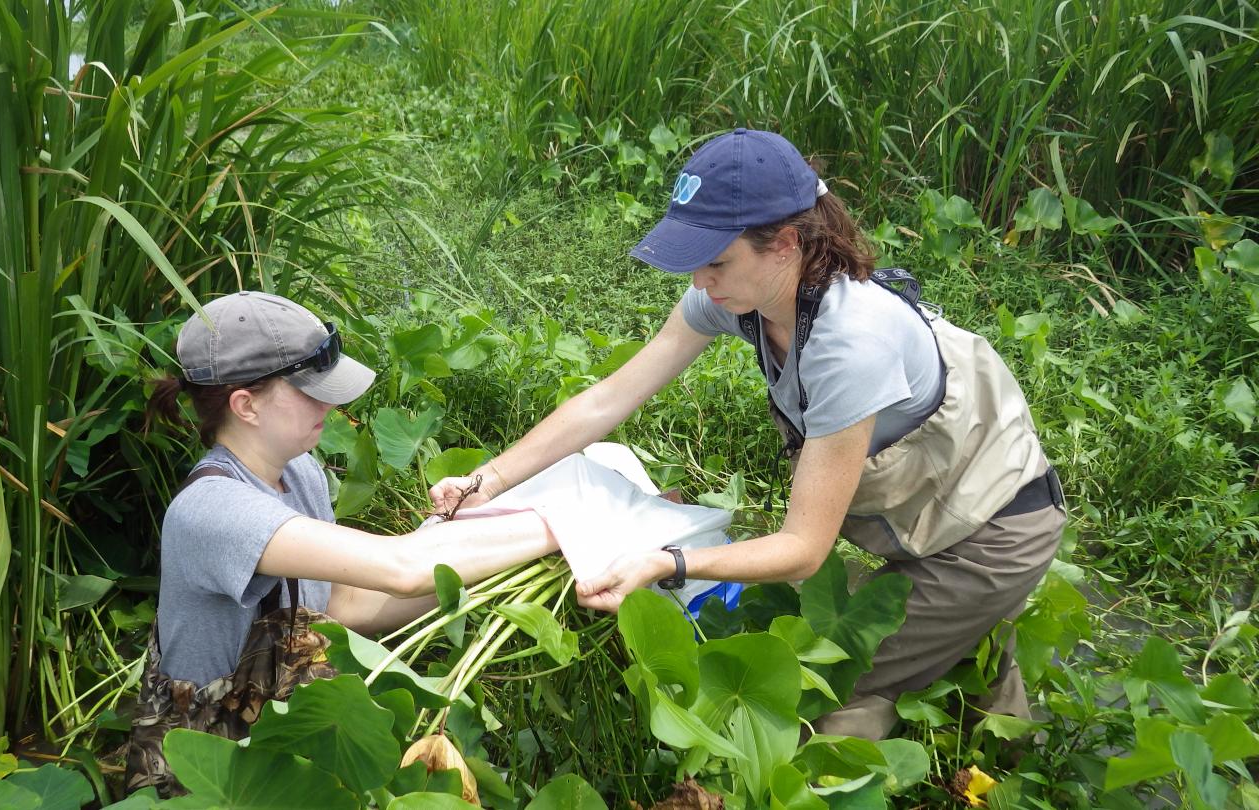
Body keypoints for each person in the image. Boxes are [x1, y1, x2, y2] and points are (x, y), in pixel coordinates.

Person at [430, 129, 1066, 740]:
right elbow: (610, 398)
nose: (700, 281)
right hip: (923, 517)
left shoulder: (852, 342)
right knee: (944, 659)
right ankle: (993, 708)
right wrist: (489, 479)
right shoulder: (741, 292)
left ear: (786, 242)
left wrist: (668, 563)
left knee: (814, 687)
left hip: (992, 534)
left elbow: (803, 549)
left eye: (716, 261)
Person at [127, 291, 558, 795]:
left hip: (288, 743)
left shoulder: (300, 469)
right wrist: (562, 522)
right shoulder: (211, 511)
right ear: (245, 405)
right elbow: (402, 568)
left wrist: (498, 542)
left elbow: (344, 602)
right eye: (310, 390)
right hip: (213, 776)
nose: (331, 403)